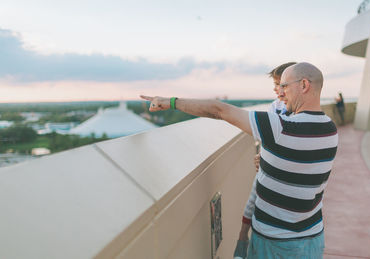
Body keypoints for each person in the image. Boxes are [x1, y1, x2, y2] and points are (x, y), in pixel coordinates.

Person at [141, 62, 338, 259]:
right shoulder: (330, 130)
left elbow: (218, 110)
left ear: (304, 85)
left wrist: (170, 102)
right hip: (312, 238)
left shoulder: (279, 128)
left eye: (284, 86)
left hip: (274, 242)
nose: (281, 93)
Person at [234, 62, 296, 259]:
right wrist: (263, 155)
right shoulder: (276, 107)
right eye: (276, 85)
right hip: (265, 170)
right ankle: (242, 240)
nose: (278, 90)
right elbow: (267, 137)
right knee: (252, 202)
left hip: (284, 184)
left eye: (282, 85)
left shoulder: (300, 112)